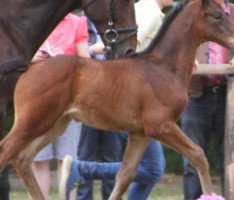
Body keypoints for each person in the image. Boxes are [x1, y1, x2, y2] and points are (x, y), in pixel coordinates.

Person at [60, 0, 174, 199]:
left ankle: (82, 169)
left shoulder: (151, 11)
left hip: (135, 97)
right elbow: (130, 48)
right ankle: (82, 169)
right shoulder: (150, 12)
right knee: (153, 169)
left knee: (152, 168)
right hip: (133, 99)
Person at [181, 1, 234, 199]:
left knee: (232, 162)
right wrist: (186, 58)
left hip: (232, 96)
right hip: (196, 96)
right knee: (191, 162)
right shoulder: (190, 12)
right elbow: (173, 45)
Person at [32, 12, 90, 200]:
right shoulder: (36, 18)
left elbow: (86, 62)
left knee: (67, 161)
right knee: (39, 160)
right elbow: (19, 55)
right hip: (38, 99)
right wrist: (33, 58)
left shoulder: (78, 22)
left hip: (69, 101)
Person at [76, 18, 124, 200]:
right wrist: (91, 50)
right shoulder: (81, 23)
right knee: (85, 154)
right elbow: (74, 54)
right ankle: (83, 197)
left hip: (115, 97)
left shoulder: (121, 23)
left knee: (112, 155)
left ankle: (112, 196)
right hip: (88, 97)